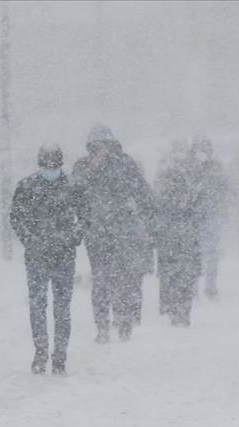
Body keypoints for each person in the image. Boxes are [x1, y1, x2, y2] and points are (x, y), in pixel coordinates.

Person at [72, 124, 155, 343]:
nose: (101, 150)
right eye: (96, 146)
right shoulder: (82, 166)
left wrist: (145, 223)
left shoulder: (125, 164)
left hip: (122, 231)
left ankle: (124, 319)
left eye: (104, 145)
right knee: (100, 279)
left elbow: (144, 194)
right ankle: (102, 325)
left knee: (122, 277)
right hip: (96, 233)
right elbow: (73, 195)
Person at [10, 144, 82, 375]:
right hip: (37, 256)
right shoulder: (27, 186)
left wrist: (73, 237)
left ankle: (59, 356)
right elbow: (16, 218)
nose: (50, 170)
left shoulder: (73, 186)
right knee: (38, 306)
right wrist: (30, 240)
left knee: (61, 308)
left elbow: (85, 216)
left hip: (64, 255)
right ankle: (41, 351)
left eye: (54, 166)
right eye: (46, 166)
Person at [155, 138, 212, 327]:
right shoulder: (163, 198)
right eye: (167, 181)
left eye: (171, 181)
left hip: (185, 245)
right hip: (171, 246)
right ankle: (174, 311)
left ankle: (183, 312)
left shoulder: (187, 198)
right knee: (172, 280)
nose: (169, 184)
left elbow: (198, 216)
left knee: (185, 280)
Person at [193, 137, 230, 300]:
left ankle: (207, 287)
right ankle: (200, 288)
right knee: (199, 254)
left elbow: (225, 191)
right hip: (199, 217)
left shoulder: (213, 168)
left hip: (208, 216)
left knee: (207, 254)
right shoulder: (194, 168)